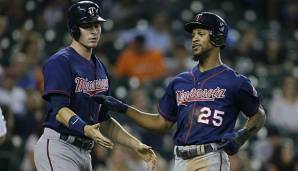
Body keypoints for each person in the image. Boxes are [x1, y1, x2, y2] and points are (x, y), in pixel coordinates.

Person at [92, 12, 266, 171]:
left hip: (211, 157)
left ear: (217, 38)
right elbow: (161, 124)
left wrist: (242, 136)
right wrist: (124, 108)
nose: (194, 39)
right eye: (193, 35)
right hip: (180, 160)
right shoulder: (179, 81)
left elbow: (258, 115)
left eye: (201, 34)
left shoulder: (235, 81)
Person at [33, 1, 156, 171]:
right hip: (59, 147)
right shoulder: (60, 62)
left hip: (85, 152)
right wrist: (86, 129)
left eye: (97, 25)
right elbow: (60, 111)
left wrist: (135, 144)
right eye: (87, 26)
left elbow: (103, 121)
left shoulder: (100, 67)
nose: (94, 31)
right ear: (74, 29)